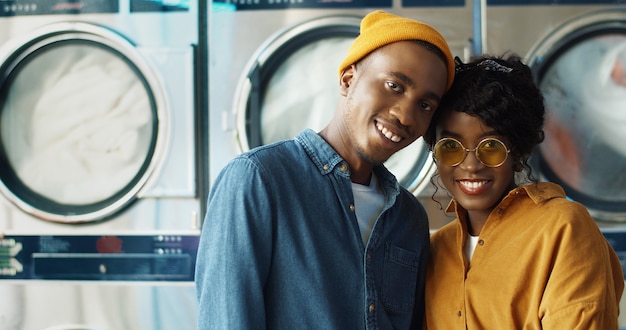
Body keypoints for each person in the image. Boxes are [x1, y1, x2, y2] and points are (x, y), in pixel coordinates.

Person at [195, 10, 455, 329]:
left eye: (425, 105)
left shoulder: (409, 216)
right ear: (348, 79)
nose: (405, 115)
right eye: (394, 85)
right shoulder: (258, 179)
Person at [422, 54, 624, 329]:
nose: (470, 165)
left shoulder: (562, 228)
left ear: (517, 152)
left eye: (491, 146)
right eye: (451, 147)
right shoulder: (435, 250)